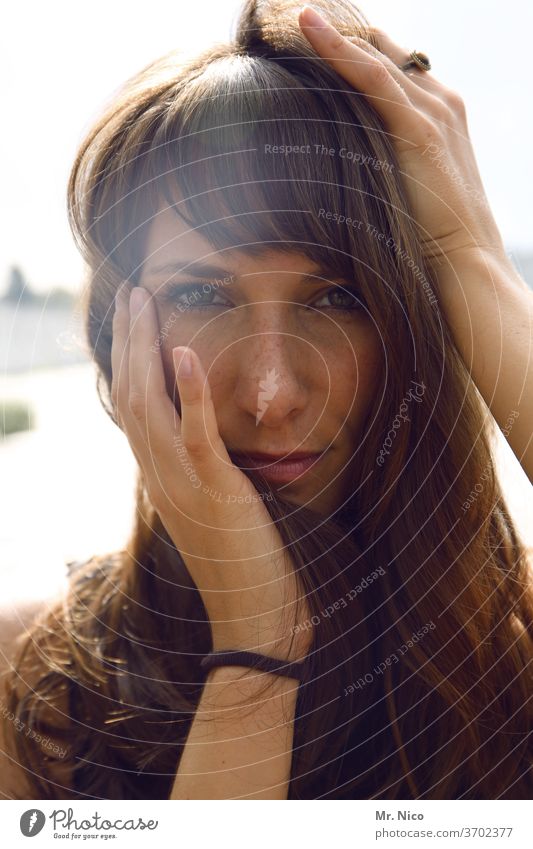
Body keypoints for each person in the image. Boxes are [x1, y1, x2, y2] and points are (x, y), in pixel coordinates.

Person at [1, 0, 532, 800]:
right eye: (204, 295)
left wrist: (468, 255)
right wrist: (256, 649)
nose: (271, 395)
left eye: (336, 299)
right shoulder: (35, 682)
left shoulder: (516, 645)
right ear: (120, 334)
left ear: (422, 323)